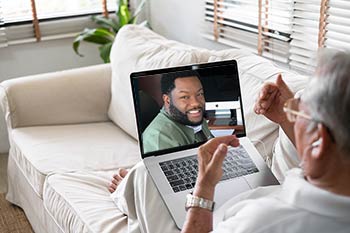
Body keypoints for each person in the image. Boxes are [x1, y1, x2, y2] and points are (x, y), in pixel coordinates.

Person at [109, 50, 350, 232]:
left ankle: (126, 193)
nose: (195, 103)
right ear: (167, 100)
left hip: (208, 213)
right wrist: (288, 119)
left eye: (299, 115)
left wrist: (203, 186)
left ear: (319, 142)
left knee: (143, 176)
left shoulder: (263, 222)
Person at [142, 70, 213, 153]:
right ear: (167, 100)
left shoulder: (193, 117)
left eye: (200, 94)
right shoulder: (159, 137)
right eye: (185, 97)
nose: (196, 103)